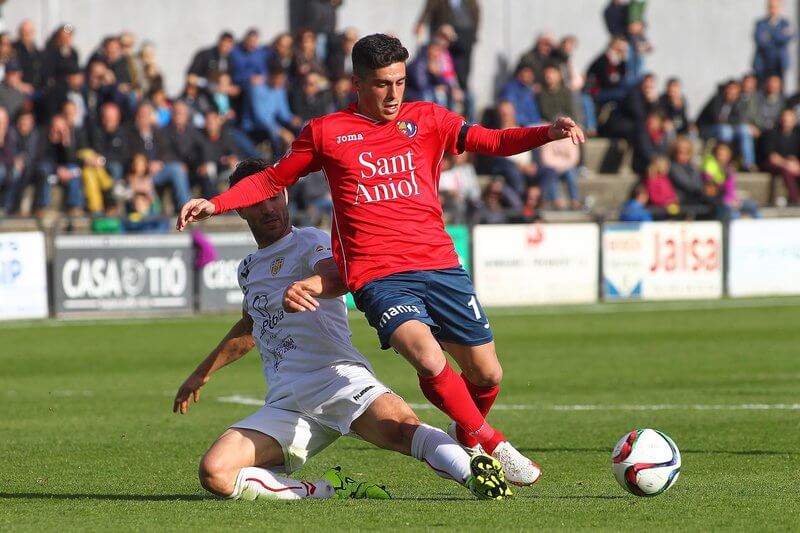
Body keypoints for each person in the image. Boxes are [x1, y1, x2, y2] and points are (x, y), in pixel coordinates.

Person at [177, 34, 585, 486]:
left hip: (440, 264)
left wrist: (545, 133)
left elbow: (490, 140)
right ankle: (492, 441)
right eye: (381, 85)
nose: (393, 95)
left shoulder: (428, 118)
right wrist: (215, 203)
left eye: (400, 82)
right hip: (380, 275)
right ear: (356, 83)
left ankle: (466, 431)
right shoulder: (327, 132)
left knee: (488, 374)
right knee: (429, 360)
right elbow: (272, 178)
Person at [173, 158, 511, 502]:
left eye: (274, 196)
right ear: (240, 210)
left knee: (406, 431)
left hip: (337, 380)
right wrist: (202, 374)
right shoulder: (248, 269)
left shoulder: (310, 241)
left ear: (286, 195)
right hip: (286, 404)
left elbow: (339, 278)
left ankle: (476, 474)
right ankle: (328, 490)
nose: (268, 207)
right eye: (256, 202)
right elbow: (250, 325)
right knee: (216, 472)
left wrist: (310, 286)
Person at [760, 107, 800, 204]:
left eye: (789, 117)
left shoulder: (797, 135)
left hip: (790, 165)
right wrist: (787, 163)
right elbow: (772, 158)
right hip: (770, 165)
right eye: (784, 116)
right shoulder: (772, 133)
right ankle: (796, 199)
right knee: (786, 170)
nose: (786, 119)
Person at [753, 0, 795, 83]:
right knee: (762, 88)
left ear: (780, 8)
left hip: (780, 63)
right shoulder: (760, 23)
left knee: (779, 88)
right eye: (771, 7)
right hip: (763, 63)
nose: (773, 9)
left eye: (775, 7)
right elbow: (760, 41)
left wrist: (769, 35)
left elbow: (790, 37)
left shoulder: (785, 23)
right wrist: (780, 34)